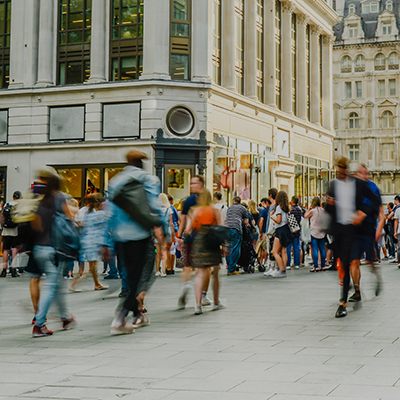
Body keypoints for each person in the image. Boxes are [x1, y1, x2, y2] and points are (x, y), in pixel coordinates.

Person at [105, 150, 163, 335]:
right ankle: (120, 318)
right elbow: (154, 207)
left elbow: (110, 212)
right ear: (141, 162)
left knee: (129, 278)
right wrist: (163, 230)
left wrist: (105, 241)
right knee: (143, 277)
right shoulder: (149, 180)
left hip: (120, 237)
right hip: (141, 236)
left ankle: (138, 314)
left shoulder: (115, 181)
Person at [325, 157, 380, 318]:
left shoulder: (358, 184)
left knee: (348, 262)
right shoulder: (333, 185)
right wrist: (329, 204)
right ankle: (349, 287)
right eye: (338, 169)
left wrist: (362, 213)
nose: (340, 172)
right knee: (341, 264)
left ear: (346, 169)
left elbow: (375, 201)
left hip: (352, 229)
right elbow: (328, 208)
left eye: (342, 169)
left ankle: (342, 303)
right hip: (337, 230)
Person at [31, 167, 75, 337]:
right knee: (51, 285)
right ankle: (39, 324)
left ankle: (65, 317)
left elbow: (35, 225)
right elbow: (69, 219)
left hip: (39, 248)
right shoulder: (60, 197)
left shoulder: (40, 200)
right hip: (54, 249)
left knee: (57, 285)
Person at [348, 164, 384, 302]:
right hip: (355, 228)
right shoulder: (354, 187)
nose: (365, 176)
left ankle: (376, 276)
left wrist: (379, 229)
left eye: (367, 173)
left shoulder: (373, 188)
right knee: (354, 260)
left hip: (369, 227)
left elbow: (381, 213)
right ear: (357, 174)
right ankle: (357, 291)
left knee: (369, 260)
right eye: (362, 173)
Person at [177, 176, 212, 308]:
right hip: (205, 237)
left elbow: (183, 221)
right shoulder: (207, 199)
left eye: (193, 183)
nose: (191, 185)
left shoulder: (188, 201)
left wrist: (179, 237)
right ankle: (203, 296)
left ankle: (185, 285)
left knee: (187, 265)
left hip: (190, 237)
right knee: (205, 268)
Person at [187, 189, 224, 314]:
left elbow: (188, 230)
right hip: (212, 241)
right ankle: (216, 302)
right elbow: (220, 227)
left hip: (199, 241)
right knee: (215, 273)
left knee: (200, 273)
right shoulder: (215, 211)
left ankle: (198, 304)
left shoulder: (194, 211)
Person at [68, 193, 109, 292]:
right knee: (90, 266)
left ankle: (96, 283)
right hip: (92, 242)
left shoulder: (87, 211)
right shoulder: (94, 213)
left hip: (86, 240)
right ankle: (74, 284)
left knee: (91, 265)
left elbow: (78, 223)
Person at [269, 191, 292, 278]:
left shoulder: (279, 207)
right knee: (284, 251)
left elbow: (278, 220)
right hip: (286, 229)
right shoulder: (287, 207)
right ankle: (284, 269)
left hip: (280, 230)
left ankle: (281, 269)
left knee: (274, 251)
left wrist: (272, 217)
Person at [0, 191, 22, 278]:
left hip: (6, 231)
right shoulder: (19, 206)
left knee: (5, 250)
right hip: (15, 230)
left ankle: (4, 269)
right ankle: (13, 269)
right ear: (19, 197)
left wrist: (2, 227)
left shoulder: (6, 205)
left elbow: (2, 217)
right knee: (14, 250)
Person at [225, 196, 249, 275]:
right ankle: (231, 269)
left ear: (233, 201)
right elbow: (246, 221)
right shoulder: (242, 208)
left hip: (227, 229)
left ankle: (229, 266)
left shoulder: (229, 208)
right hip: (236, 229)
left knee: (228, 248)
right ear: (240, 202)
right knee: (235, 249)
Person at [304, 197, 326, 272]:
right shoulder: (323, 210)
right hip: (322, 231)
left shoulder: (313, 211)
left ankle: (316, 265)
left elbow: (305, 216)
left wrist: (309, 209)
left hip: (314, 231)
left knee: (315, 249)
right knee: (322, 249)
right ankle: (323, 265)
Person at [155, 193, 174, 277]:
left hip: (157, 231)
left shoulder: (155, 210)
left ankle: (157, 271)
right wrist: (173, 233)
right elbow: (171, 223)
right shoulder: (169, 209)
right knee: (165, 250)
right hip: (166, 231)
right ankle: (163, 271)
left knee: (158, 251)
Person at [286, 196, 302, 270]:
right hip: (297, 230)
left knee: (288, 248)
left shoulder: (290, 209)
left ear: (292, 201)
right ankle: (297, 263)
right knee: (296, 247)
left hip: (290, 231)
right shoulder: (299, 209)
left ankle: (288, 264)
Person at [167, 194, 179, 275]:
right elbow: (177, 220)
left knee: (168, 249)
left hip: (169, 230)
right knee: (173, 249)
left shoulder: (168, 208)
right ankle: (171, 267)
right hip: (175, 229)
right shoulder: (173, 208)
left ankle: (168, 267)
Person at [258, 197, 270, 266]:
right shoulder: (271, 210)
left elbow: (261, 222)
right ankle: (266, 261)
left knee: (263, 248)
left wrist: (260, 232)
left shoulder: (264, 211)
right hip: (270, 231)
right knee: (267, 247)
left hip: (264, 231)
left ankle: (262, 262)